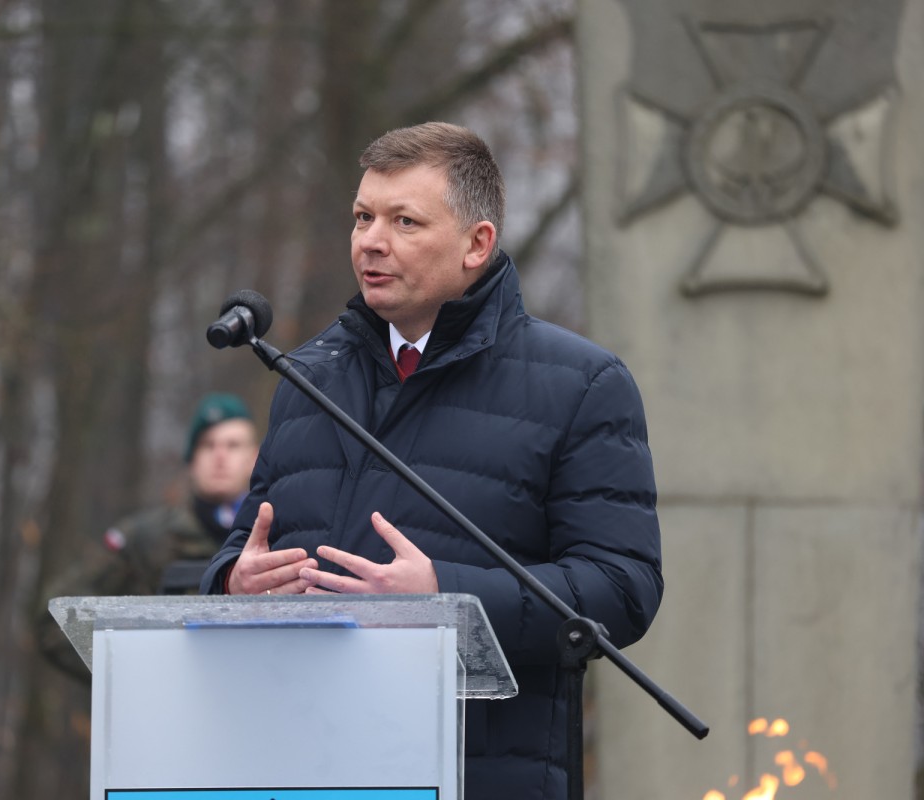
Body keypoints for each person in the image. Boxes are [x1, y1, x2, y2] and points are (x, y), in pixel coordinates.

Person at [199, 122, 662, 799]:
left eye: (404, 221)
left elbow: (623, 588)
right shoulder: (307, 377)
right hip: (299, 762)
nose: (371, 240)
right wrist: (232, 582)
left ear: (477, 244)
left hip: (477, 772)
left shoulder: (582, 385)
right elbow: (248, 540)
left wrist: (446, 596)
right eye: (363, 217)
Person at [37, 392, 259, 680]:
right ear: (191, 459)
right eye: (207, 445)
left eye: (233, 445)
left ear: (254, 458)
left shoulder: (278, 538)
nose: (220, 457)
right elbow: (56, 622)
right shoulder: (145, 539)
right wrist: (133, 676)